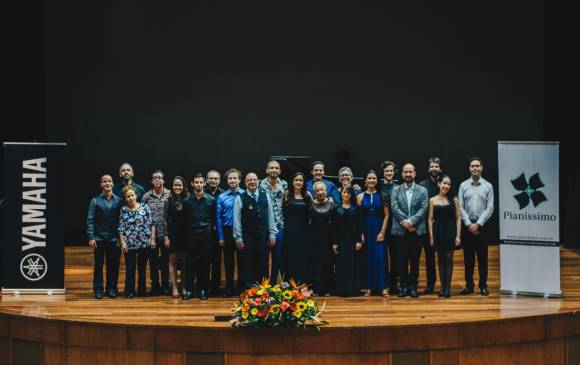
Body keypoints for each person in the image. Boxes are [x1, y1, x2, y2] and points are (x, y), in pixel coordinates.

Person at [233, 172, 277, 290]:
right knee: (248, 264)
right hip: (247, 237)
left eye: (254, 180)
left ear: (258, 181)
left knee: (263, 263)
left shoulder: (265, 195)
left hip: (263, 236)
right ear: (245, 183)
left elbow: (270, 215)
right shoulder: (240, 198)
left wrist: (272, 233)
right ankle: (249, 291)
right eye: (249, 180)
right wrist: (238, 237)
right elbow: (236, 219)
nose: (252, 182)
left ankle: (264, 291)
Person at [390, 163, 429, 298]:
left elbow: (424, 208)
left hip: (416, 231)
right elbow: (394, 207)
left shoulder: (422, 190)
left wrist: (411, 222)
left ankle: (413, 287)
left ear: (415, 174)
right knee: (401, 260)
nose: (408, 174)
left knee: (415, 261)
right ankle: (403, 286)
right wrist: (406, 223)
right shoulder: (396, 190)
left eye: (410, 172)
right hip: (400, 231)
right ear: (401, 174)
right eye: (405, 172)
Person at [458, 157, 494, 296]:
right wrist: (469, 224)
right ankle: (469, 286)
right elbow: (460, 207)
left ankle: (483, 285)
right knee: (468, 259)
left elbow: (490, 207)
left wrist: (478, 224)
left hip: (482, 226)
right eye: (472, 166)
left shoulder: (488, 186)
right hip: (467, 227)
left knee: (482, 258)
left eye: (477, 166)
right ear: (469, 168)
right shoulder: (463, 186)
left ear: (481, 168)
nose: (475, 168)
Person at [86, 174, 123, 299]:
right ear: (101, 184)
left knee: (113, 265)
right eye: (105, 181)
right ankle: (98, 289)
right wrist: (91, 237)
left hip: (114, 239)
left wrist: (120, 238)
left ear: (113, 184)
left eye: (109, 181)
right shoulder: (95, 201)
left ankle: (112, 288)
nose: (107, 183)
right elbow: (90, 220)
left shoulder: (119, 200)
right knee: (99, 265)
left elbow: (121, 220)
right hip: (99, 238)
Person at [182, 173, 215, 300]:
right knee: (190, 263)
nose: (199, 184)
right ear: (192, 184)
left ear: (204, 183)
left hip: (206, 234)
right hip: (191, 234)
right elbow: (184, 220)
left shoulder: (211, 200)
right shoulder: (187, 201)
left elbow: (213, 220)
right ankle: (190, 290)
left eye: (201, 182)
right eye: (196, 182)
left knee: (205, 264)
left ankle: (203, 290)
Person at [357, 170, 390, 297]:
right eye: (369, 178)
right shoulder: (360, 197)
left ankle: (383, 287)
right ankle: (369, 287)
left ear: (377, 180)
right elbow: (358, 217)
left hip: (378, 229)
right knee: (368, 258)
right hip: (365, 230)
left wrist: (382, 232)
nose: (371, 180)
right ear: (365, 181)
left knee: (380, 258)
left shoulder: (382, 195)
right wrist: (360, 233)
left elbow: (387, 215)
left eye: (374, 178)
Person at [428, 175, 461, 298]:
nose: (446, 186)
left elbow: (458, 218)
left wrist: (458, 235)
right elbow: (430, 219)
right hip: (438, 231)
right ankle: (442, 286)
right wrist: (431, 237)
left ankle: (448, 287)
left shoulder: (454, 200)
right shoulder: (432, 200)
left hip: (450, 231)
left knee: (448, 258)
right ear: (439, 184)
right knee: (440, 259)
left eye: (448, 184)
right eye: (444, 183)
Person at [118, 185, 154, 298]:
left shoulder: (145, 207)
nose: (130, 198)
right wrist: (123, 243)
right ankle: (129, 291)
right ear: (125, 198)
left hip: (144, 242)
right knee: (130, 268)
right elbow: (120, 228)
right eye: (128, 196)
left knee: (142, 268)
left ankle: (142, 290)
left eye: (132, 195)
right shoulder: (123, 210)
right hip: (130, 244)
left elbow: (152, 223)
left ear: (136, 195)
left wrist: (152, 239)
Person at [216, 168, 245, 297]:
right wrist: (221, 237)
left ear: (239, 180)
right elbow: (218, 218)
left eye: (235, 178)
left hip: (241, 233)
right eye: (230, 178)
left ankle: (242, 288)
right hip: (227, 232)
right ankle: (229, 288)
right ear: (227, 181)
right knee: (228, 262)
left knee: (242, 261)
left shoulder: (245, 194)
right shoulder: (222, 197)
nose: (233, 180)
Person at [142, 170, 171, 296]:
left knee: (165, 261)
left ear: (164, 180)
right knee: (153, 262)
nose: (157, 180)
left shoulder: (170, 194)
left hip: (166, 235)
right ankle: (155, 286)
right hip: (151, 235)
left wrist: (168, 235)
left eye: (160, 178)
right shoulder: (146, 197)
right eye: (155, 178)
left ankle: (166, 286)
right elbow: (142, 216)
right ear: (152, 181)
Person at [259, 160, 288, 282]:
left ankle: (273, 281)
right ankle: (264, 283)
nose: (274, 170)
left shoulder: (285, 185)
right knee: (264, 257)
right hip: (265, 226)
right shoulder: (260, 184)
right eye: (271, 168)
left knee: (278, 257)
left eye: (276, 168)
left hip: (280, 225)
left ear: (280, 171)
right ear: (267, 170)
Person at [283, 172, 312, 284]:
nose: (298, 182)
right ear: (292, 182)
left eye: (300, 180)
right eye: (296, 180)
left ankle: (302, 282)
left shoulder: (307, 195)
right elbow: (282, 211)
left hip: (303, 231)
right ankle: (290, 283)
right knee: (290, 256)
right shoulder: (287, 194)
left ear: (303, 183)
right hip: (290, 231)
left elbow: (312, 211)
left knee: (302, 256)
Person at [163, 176, 190, 298]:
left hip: (186, 234)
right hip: (172, 234)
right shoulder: (168, 200)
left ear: (183, 186)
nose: (177, 187)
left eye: (180, 185)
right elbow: (164, 220)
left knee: (184, 262)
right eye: (175, 185)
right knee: (172, 262)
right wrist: (166, 236)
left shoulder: (188, 199)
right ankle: (174, 287)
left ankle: (183, 286)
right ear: (172, 187)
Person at [333, 186, 363, 297]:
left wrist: (359, 241)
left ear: (351, 195)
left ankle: (353, 290)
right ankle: (342, 290)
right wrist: (334, 243)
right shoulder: (336, 208)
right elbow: (334, 228)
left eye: (348, 193)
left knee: (353, 265)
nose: (346, 195)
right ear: (341, 194)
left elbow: (360, 225)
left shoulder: (356, 208)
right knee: (341, 264)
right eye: (344, 192)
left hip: (353, 240)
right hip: (341, 241)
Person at [418, 157, 442, 294]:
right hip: (427, 227)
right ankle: (430, 284)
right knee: (429, 257)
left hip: (442, 225)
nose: (434, 169)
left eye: (436, 166)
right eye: (432, 166)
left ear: (440, 169)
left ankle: (444, 284)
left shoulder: (445, 183)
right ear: (428, 169)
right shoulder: (422, 185)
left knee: (444, 257)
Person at [308, 181, 336, 296]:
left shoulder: (332, 205)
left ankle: (327, 289)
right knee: (315, 264)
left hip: (328, 238)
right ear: (314, 192)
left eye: (322, 190)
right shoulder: (310, 206)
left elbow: (335, 224)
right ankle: (316, 289)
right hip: (314, 238)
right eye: (317, 190)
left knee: (328, 263)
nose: (320, 192)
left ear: (326, 191)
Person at [378, 161, 399, 295]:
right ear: (383, 173)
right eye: (386, 171)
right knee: (380, 257)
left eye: (391, 171)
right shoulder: (378, 186)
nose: (389, 173)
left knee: (395, 257)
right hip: (378, 224)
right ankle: (381, 283)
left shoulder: (398, 187)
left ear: (394, 172)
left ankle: (393, 284)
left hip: (395, 226)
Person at [204, 170, 224, 296]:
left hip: (218, 233)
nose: (213, 180)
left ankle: (215, 287)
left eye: (215, 178)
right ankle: (204, 286)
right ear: (206, 180)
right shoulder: (201, 192)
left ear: (219, 180)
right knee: (204, 260)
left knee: (217, 261)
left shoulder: (223, 194)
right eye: (210, 178)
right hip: (205, 232)